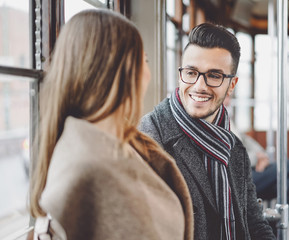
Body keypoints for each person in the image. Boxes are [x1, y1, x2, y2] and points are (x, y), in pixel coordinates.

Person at [29, 9, 193, 240]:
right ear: (123, 72)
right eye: (143, 60)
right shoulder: (89, 170)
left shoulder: (124, 147)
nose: (148, 73)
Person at [139, 22, 275, 240]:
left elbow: (254, 223)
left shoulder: (233, 147)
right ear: (180, 74)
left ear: (232, 85)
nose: (199, 86)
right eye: (191, 72)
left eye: (214, 75)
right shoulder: (149, 140)